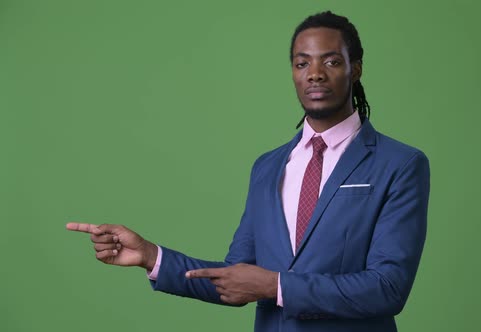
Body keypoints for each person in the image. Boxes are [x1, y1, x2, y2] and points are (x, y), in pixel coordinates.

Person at [67, 11, 430, 332]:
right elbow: (237, 278)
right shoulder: (268, 167)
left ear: (356, 69)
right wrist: (150, 255)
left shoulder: (399, 164)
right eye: (302, 63)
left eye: (331, 62)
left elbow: (388, 287)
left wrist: (275, 286)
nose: (315, 74)